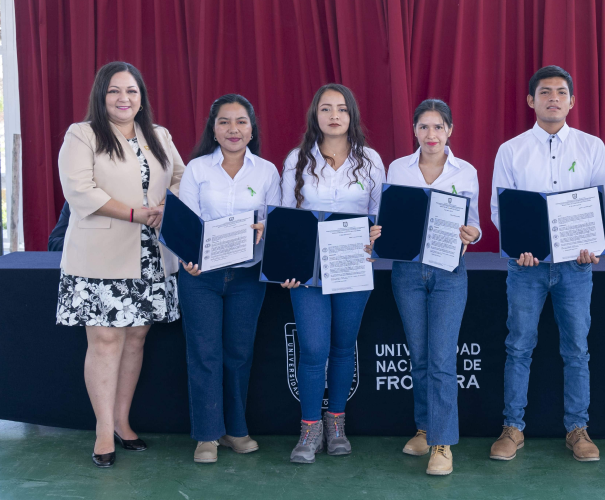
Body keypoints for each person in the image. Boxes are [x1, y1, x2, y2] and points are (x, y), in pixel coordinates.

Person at [55, 61, 185, 468]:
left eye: (130, 90)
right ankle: (101, 431)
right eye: (114, 91)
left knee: (136, 339)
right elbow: (80, 190)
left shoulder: (158, 135)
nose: (123, 98)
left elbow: (183, 177)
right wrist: (134, 213)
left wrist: (167, 205)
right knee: (105, 341)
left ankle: (122, 422)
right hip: (100, 257)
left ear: (141, 96)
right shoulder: (83, 134)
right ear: (101, 95)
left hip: (151, 255)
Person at [488, 65, 605, 462]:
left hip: (576, 266)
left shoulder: (592, 146)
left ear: (572, 101)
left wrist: (593, 245)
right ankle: (512, 427)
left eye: (561, 92)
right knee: (519, 345)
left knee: (577, 349)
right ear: (531, 101)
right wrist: (519, 246)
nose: (553, 97)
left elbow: (600, 206)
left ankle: (578, 428)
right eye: (545, 92)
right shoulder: (511, 149)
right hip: (527, 267)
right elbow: (499, 210)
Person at [279, 83, 385, 463]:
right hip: (308, 271)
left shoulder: (370, 160)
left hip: (354, 265)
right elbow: (285, 218)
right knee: (313, 349)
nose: (335, 115)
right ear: (316, 116)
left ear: (351, 115)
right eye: (326, 109)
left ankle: (336, 424)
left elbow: (379, 216)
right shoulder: (297, 160)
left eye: (342, 109)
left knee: (342, 348)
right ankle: (309, 429)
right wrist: (288, 264)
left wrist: (375, 233)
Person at [176, 94, 281, 463]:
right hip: (200, 276)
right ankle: (206, 435)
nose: (233, 129)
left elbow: (276, 224)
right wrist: (188, 259)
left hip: (248, 277)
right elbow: (186, 224)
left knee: (239, 354)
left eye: (240, 121)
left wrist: (264, 227)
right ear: (214, 129)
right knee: (205, 353)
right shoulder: (197, 169)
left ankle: (235, 429)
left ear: (252, 129)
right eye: (224, 122)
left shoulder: (267, 171)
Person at [381, 99, 481, 475]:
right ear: (414, 131)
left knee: (440, 359)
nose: (431, 134)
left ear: (450, 130)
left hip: (449, 271)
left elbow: (474, 222)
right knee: (420, 357)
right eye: (424, 127)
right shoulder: (398, 169)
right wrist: (378, 232)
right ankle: (425, 428)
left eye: (438, 126)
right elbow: (386, 216)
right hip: (407, 271)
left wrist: (475, 232)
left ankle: (443, 444)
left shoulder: (466, 170)